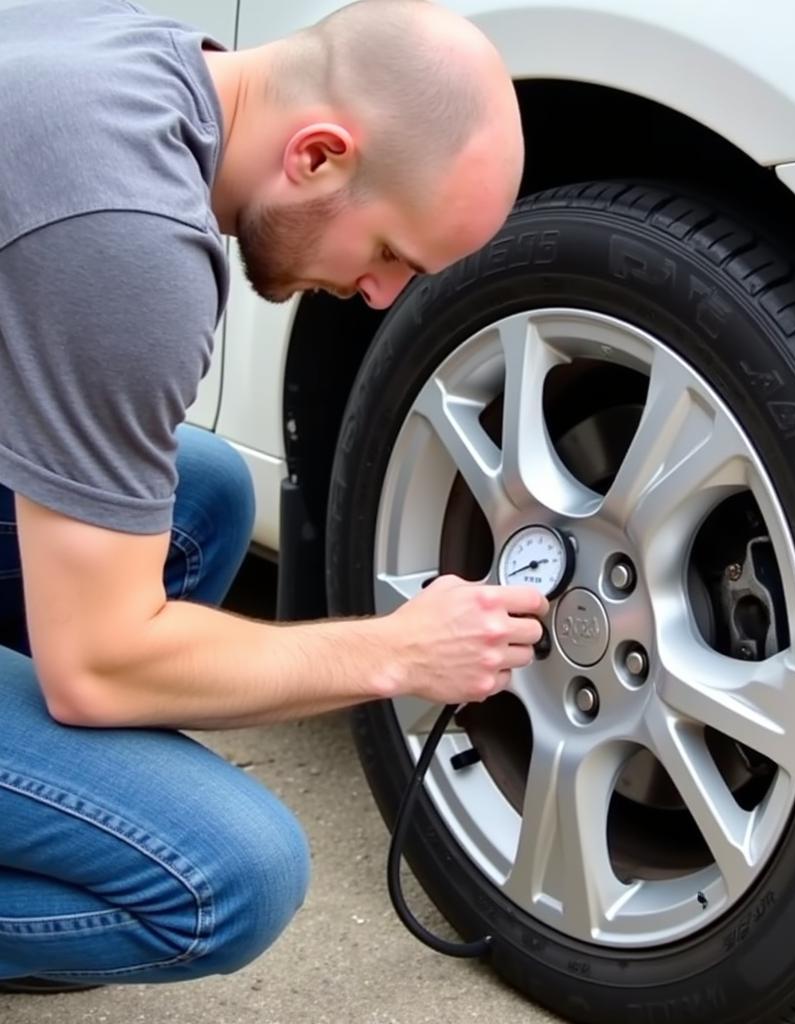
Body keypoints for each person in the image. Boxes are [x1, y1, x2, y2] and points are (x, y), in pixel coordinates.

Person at [0, 0, 546, 993]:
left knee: (196, 493)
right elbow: (95, 667)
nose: (382, 296)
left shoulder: (126, 57)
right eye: (390, 252)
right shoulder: (132, 244)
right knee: (230, 873)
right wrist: (397, 651)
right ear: (319, 156)